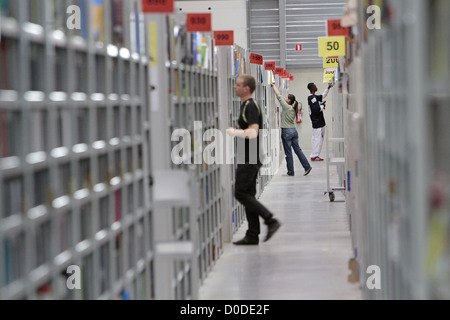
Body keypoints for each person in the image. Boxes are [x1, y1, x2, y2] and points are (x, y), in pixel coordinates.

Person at [226, 75, 281, 245]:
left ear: (246, 89)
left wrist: (234, 132)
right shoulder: (246, 105)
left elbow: (253, 132)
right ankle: (252, 234)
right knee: (248, 194)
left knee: (240, 193)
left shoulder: (250, 106)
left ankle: (270, 219)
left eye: (238, 85)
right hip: (248, 155)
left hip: (250, 156)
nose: (235, 87)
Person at [271, 83, 312, 177]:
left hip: (287, 132)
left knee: (288, 153)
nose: (285, 98)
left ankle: (290, 172)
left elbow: (278, 96)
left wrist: (273, 85)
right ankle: (307, 166)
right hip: (294, 131)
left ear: (289, 100)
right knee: (298, 150)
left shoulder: (287, 107)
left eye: (286, 97)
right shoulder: (293, 109)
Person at [307, 82, 334, 161]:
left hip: (319, 122)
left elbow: (322, 96)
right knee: (317, 139)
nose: (316, 86)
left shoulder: (314, 97)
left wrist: (328, 88)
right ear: (312, 88)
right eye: (315, 86)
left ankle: (315, 154)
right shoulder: (311, 98)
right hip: (317, 122)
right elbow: (316, 110)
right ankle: (314, 155)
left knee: (318, 139)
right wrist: (322, 106)